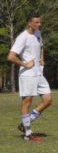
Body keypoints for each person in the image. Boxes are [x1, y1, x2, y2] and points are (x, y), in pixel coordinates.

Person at [7, 13, 51, 141]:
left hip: (38, 72)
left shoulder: (38, 33)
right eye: (36, 22)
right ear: (29, 23)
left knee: (48, 100)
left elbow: (41, 46)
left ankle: (24, 124)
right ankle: (28, 133)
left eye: (40, 22)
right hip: (28, 74)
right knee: (27, 102)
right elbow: (10, 56)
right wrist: (24, 63)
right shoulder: (23, 37)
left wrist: (42, 59)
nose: (39, 24)